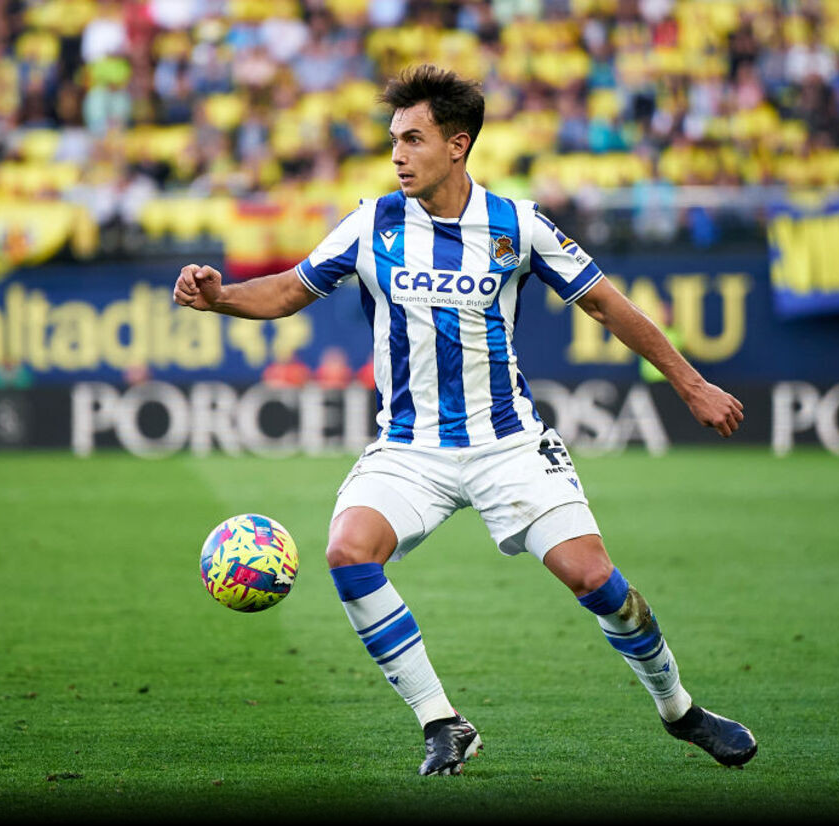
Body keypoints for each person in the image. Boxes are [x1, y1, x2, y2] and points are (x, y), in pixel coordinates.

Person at [173, 65, 754, 777]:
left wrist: (691, 385)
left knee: (595, 580)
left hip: (508, 444)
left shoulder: (518, 225)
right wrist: (221, 296)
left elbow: (608, 305)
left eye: (412, 140)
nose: (397, 155)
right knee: (349, 553)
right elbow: (291, 290)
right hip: (409, 447)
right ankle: (442, 722)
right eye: (392, 140)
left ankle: (682, 712)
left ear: (457, 144)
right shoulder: (373, 223)